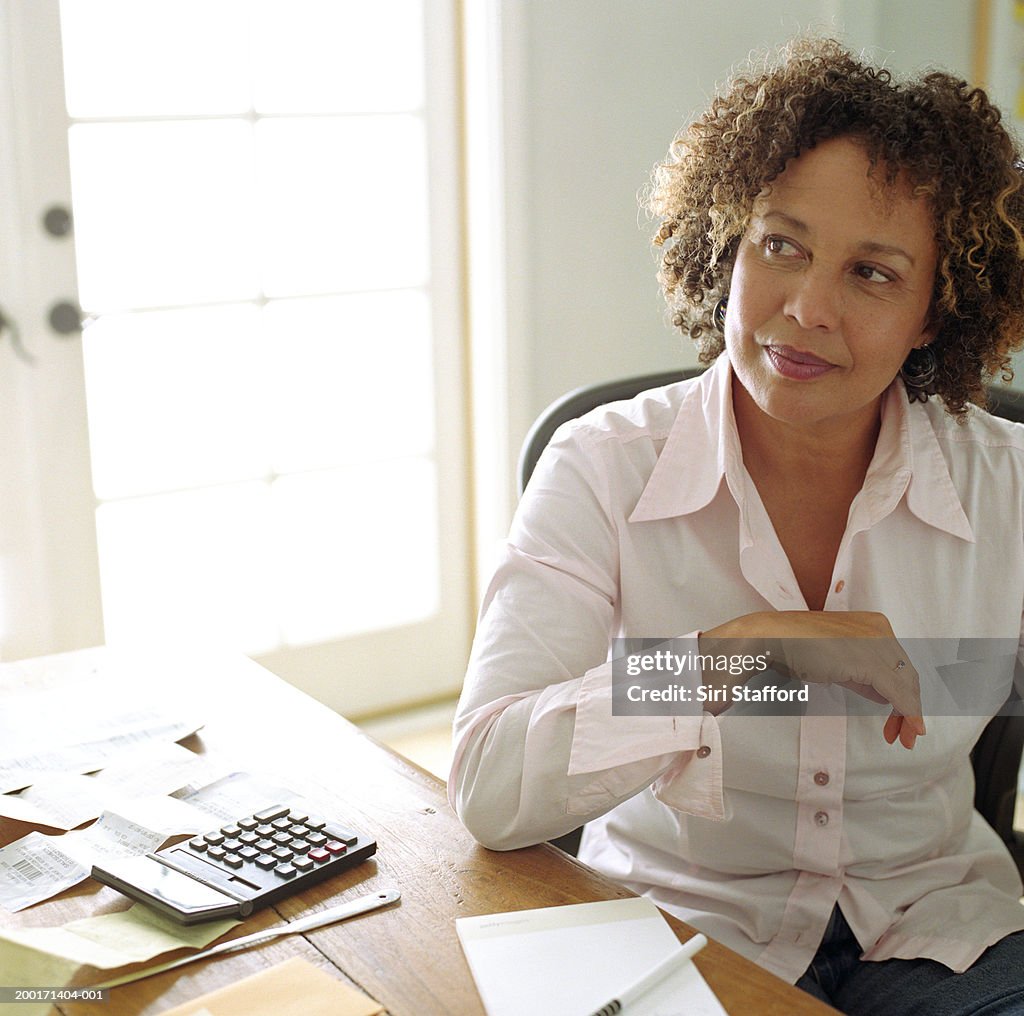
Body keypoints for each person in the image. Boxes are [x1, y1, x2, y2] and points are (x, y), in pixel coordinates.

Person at [448, 36, 1024, 1016]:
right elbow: (490, 781)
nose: (806, 309)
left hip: (939, 924)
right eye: (781, 245)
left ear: (935, 311)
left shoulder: (1007, 486)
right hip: (678, 927)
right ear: (726, 242)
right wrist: (736, 655)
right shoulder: (602, 464)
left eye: (873, 273)